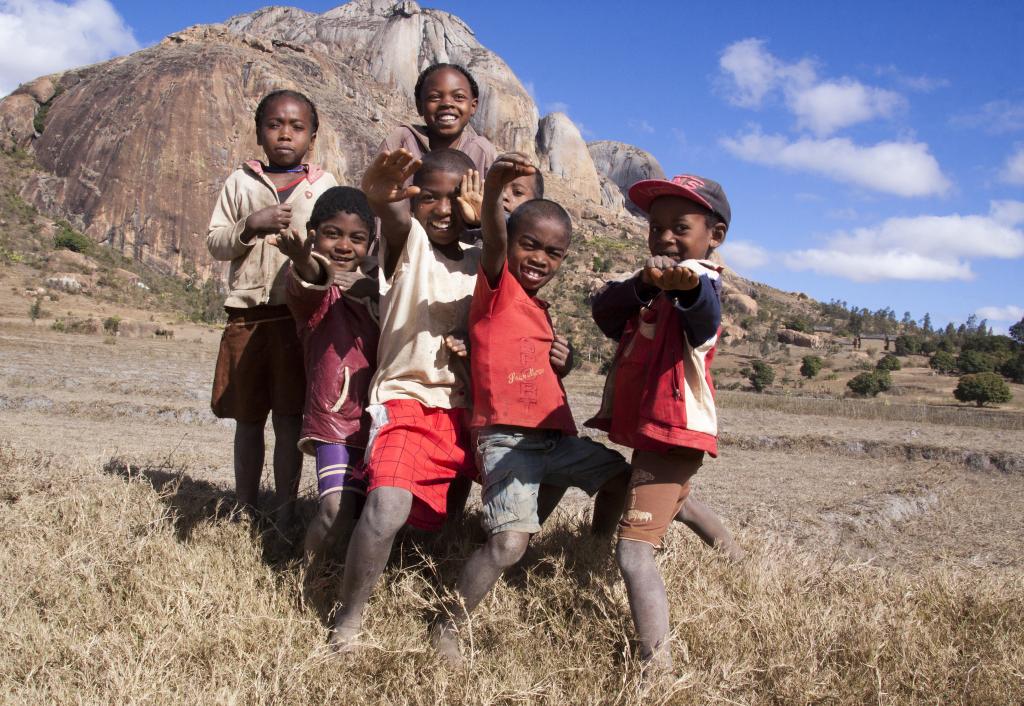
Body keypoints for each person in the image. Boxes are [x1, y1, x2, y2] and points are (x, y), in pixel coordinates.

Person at [430, 153, 629, 663]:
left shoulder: (538, 309)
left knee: (621, 479)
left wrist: (565, 359)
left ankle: (592, 551)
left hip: (554, 441)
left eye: (554, 252)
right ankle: (447, 627)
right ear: (510, 243)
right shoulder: (495, 289)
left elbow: (534, 368)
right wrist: (496, 188)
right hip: (508, 440)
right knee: (508, 545)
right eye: (530, 244)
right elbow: (494, 239)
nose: (540, 257)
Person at [587, 174, 743, 671]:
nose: (666, 238)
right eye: (656, 228)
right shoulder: (653, 289)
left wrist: (687, 288)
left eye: (681, 227)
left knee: (633, 554)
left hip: (671, 433)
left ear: (713, 235)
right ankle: (736, 560)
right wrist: (642, 283)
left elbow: (705, 313)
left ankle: (658, 668)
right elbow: (605, 313)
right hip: (657, 432)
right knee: (679, 501)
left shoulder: (702, 283)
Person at [328, 148, 482, 651]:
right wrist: (383, 197)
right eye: (428, 197)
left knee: (446, 521)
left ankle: (426, 583)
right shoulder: (410, 244)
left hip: (466, 408)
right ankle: (349, 621)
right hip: (407, 399)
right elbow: (394, 219)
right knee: (387, 506)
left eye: (455, 198)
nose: (441, 208)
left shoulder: (485, 259)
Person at [207, 89, 337, 536]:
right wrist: (250, 226)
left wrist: (307, 260)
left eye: (297, 127)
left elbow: (338, 252)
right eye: (275, 125)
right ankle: (244, 509)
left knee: (287, 420)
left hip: (297, 320)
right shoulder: (240, 183)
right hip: (246, 318)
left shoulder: (323, 187)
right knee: (247, 419)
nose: (285, 134)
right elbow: (216, 242)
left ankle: (283, 512)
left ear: (312, 136)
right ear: (260, 133)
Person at [270, 186, 380, 573]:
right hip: (334, 418)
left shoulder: (380, 288)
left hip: (381, 418)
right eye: (333, 233)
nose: (344, 246)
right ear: (314, 232)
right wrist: (301, 257)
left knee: (367, 510)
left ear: (373, 242)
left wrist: (370, 289)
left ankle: (341, 574)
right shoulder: (313, 289)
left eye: (357, 237)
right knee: (334, 508)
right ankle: (305, 574)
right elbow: (311, 276)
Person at [377, 63, 498, 178]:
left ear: (473, 106)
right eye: (434, 97)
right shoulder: (402, 141)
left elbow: (499, 197)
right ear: (420, 106)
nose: (447, 103)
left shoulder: (483, 152)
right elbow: (374, 189)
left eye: (459, 97)